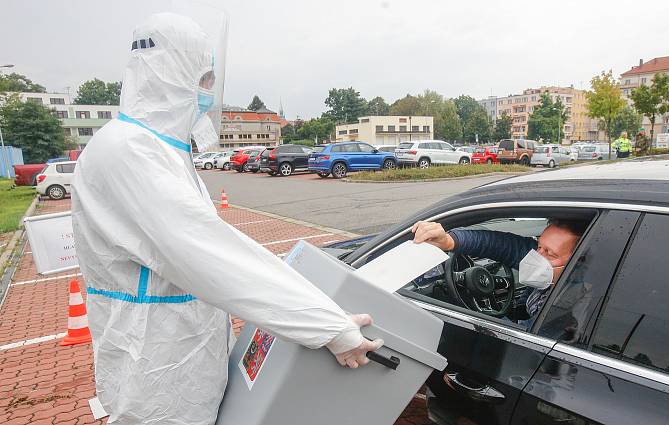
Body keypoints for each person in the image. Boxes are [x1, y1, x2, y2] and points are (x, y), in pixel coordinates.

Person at [71, 13, 380, 425]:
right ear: (171, 72)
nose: (208, 92)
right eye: (204, 78)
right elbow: (208, 253)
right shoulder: (130, 151)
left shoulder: (156, 150)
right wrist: (329, 327)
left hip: (177, 350)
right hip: (157, 362)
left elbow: (205, 244)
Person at [411, 219, 587, 327]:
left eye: (550, 253)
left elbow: (526, 342)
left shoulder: (571, 307)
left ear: (577, 262)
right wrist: (450, 241)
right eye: (539, 246)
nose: (536, 256)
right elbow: (501, 245)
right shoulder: (553, 275)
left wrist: (477, 317)